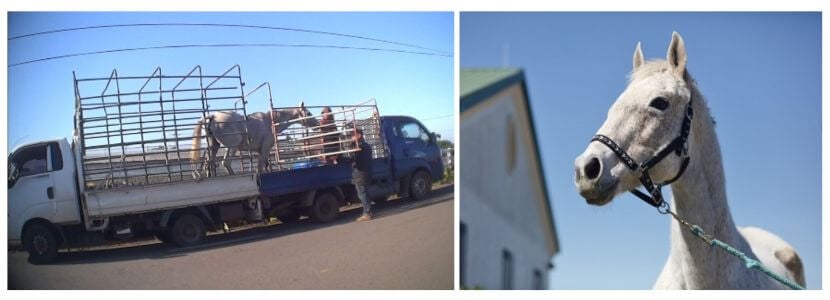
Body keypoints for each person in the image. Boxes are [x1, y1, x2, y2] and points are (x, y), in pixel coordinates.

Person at [352, 128, 373, 221]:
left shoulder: (361, 147)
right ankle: (368, 212)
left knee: (363, 195)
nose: (351, 138)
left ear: (359, 135)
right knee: (365, 194)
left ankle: (367, 213)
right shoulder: (365, 146)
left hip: (361, 174)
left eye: (353, 135)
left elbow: (355, 160)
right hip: (364, 173)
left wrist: (340, 159)